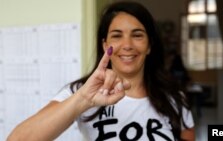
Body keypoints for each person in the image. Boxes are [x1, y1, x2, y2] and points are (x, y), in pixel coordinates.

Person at [7, 1, 195, 141]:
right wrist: (83, 100)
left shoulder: (174, 97)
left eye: (137, 35)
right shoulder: (82, 91)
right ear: (105, 45)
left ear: (149, 46)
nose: (127, 45)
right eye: (117, 35)